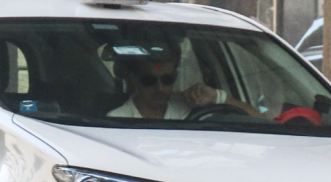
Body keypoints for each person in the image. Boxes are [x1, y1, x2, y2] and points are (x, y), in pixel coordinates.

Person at [107, 50, 260, 120]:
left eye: (168, 80)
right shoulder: (117, 118)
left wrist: (217, 97)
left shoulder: (191, 108)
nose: (160, 88)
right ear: (134, 80)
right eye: (149, 81)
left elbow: (260, 121)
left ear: (176, 77)